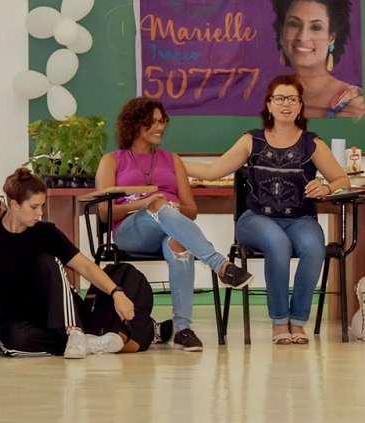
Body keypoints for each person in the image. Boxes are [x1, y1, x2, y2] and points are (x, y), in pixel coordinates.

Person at [184, 74, 350, 344]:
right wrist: (171, 162)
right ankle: (279, 321)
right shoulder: (252, 140)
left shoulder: (312, 143)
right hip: (256, 219)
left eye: (292, 99)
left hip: (300, 219)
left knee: (314, 247)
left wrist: (327, 188)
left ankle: (297, 322)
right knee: (278, 243)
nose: (286, 104)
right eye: (280, 98)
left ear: (300, 107)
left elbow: (341, 178)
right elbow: (213, 171)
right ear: (269, 105)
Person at [94, 96, 254, 352]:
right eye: (153, 122)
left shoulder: (173, 160)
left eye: (162, 122)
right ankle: (219, 265)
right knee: (159, 205)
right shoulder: (112, 160)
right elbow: (104, 212)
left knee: (178, 242)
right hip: (130, 232)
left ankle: (182, 329)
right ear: (134, 124)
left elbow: (191, 210)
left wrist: (174, 210)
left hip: (167, 227)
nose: (160, 127)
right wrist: (145, 204)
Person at [0, 168, 148, 357]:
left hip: (60, 312)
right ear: (14, 204)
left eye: (42, 206)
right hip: (19, 321)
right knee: (15, 340)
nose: (40, 213)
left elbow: (85, 266)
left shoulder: (46, 233)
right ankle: (88, 343)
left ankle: (76, 333)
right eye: (34, 207)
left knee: (49, 261)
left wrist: (116, 292)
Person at [272, 0, 364, 118]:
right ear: (282, 31)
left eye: (315, 27)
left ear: (331, 38)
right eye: (294, 24)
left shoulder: (355, 104)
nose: (302, 37)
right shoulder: (271, 95)